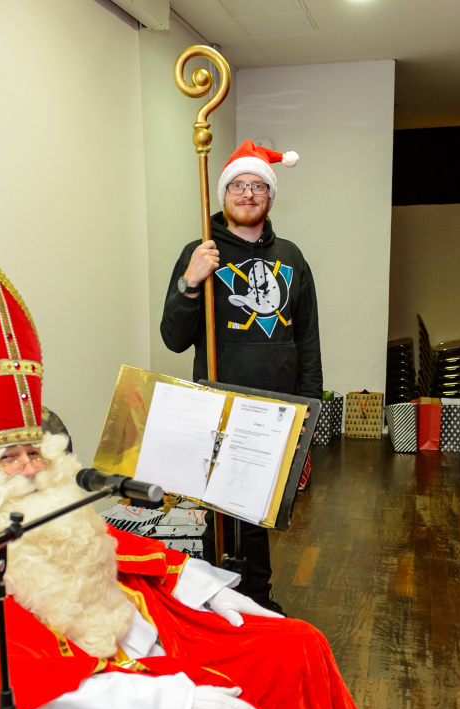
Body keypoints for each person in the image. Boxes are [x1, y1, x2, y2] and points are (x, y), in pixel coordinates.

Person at [0, 262, 375, 709]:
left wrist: (207, 591)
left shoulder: (48, 501)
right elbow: (22, 691)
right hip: (110, 688)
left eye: (34, 451)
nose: (32, 468)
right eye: (9, 457)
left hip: (148, 624)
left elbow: (116, 546)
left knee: (298, 646)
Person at [160, 139, 323, 613]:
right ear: (223, 194)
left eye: (258, 186)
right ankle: (219, 600)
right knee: (217, 511)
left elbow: (307, 339)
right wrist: (191, 282)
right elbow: (173, 338)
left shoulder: (291, 257)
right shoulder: (201, 252)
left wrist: (309, 411)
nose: (248, 193)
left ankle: (258, 598)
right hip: (218, 407)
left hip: (276, 410)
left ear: (270, 196)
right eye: (237, 185)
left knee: (257, 511)